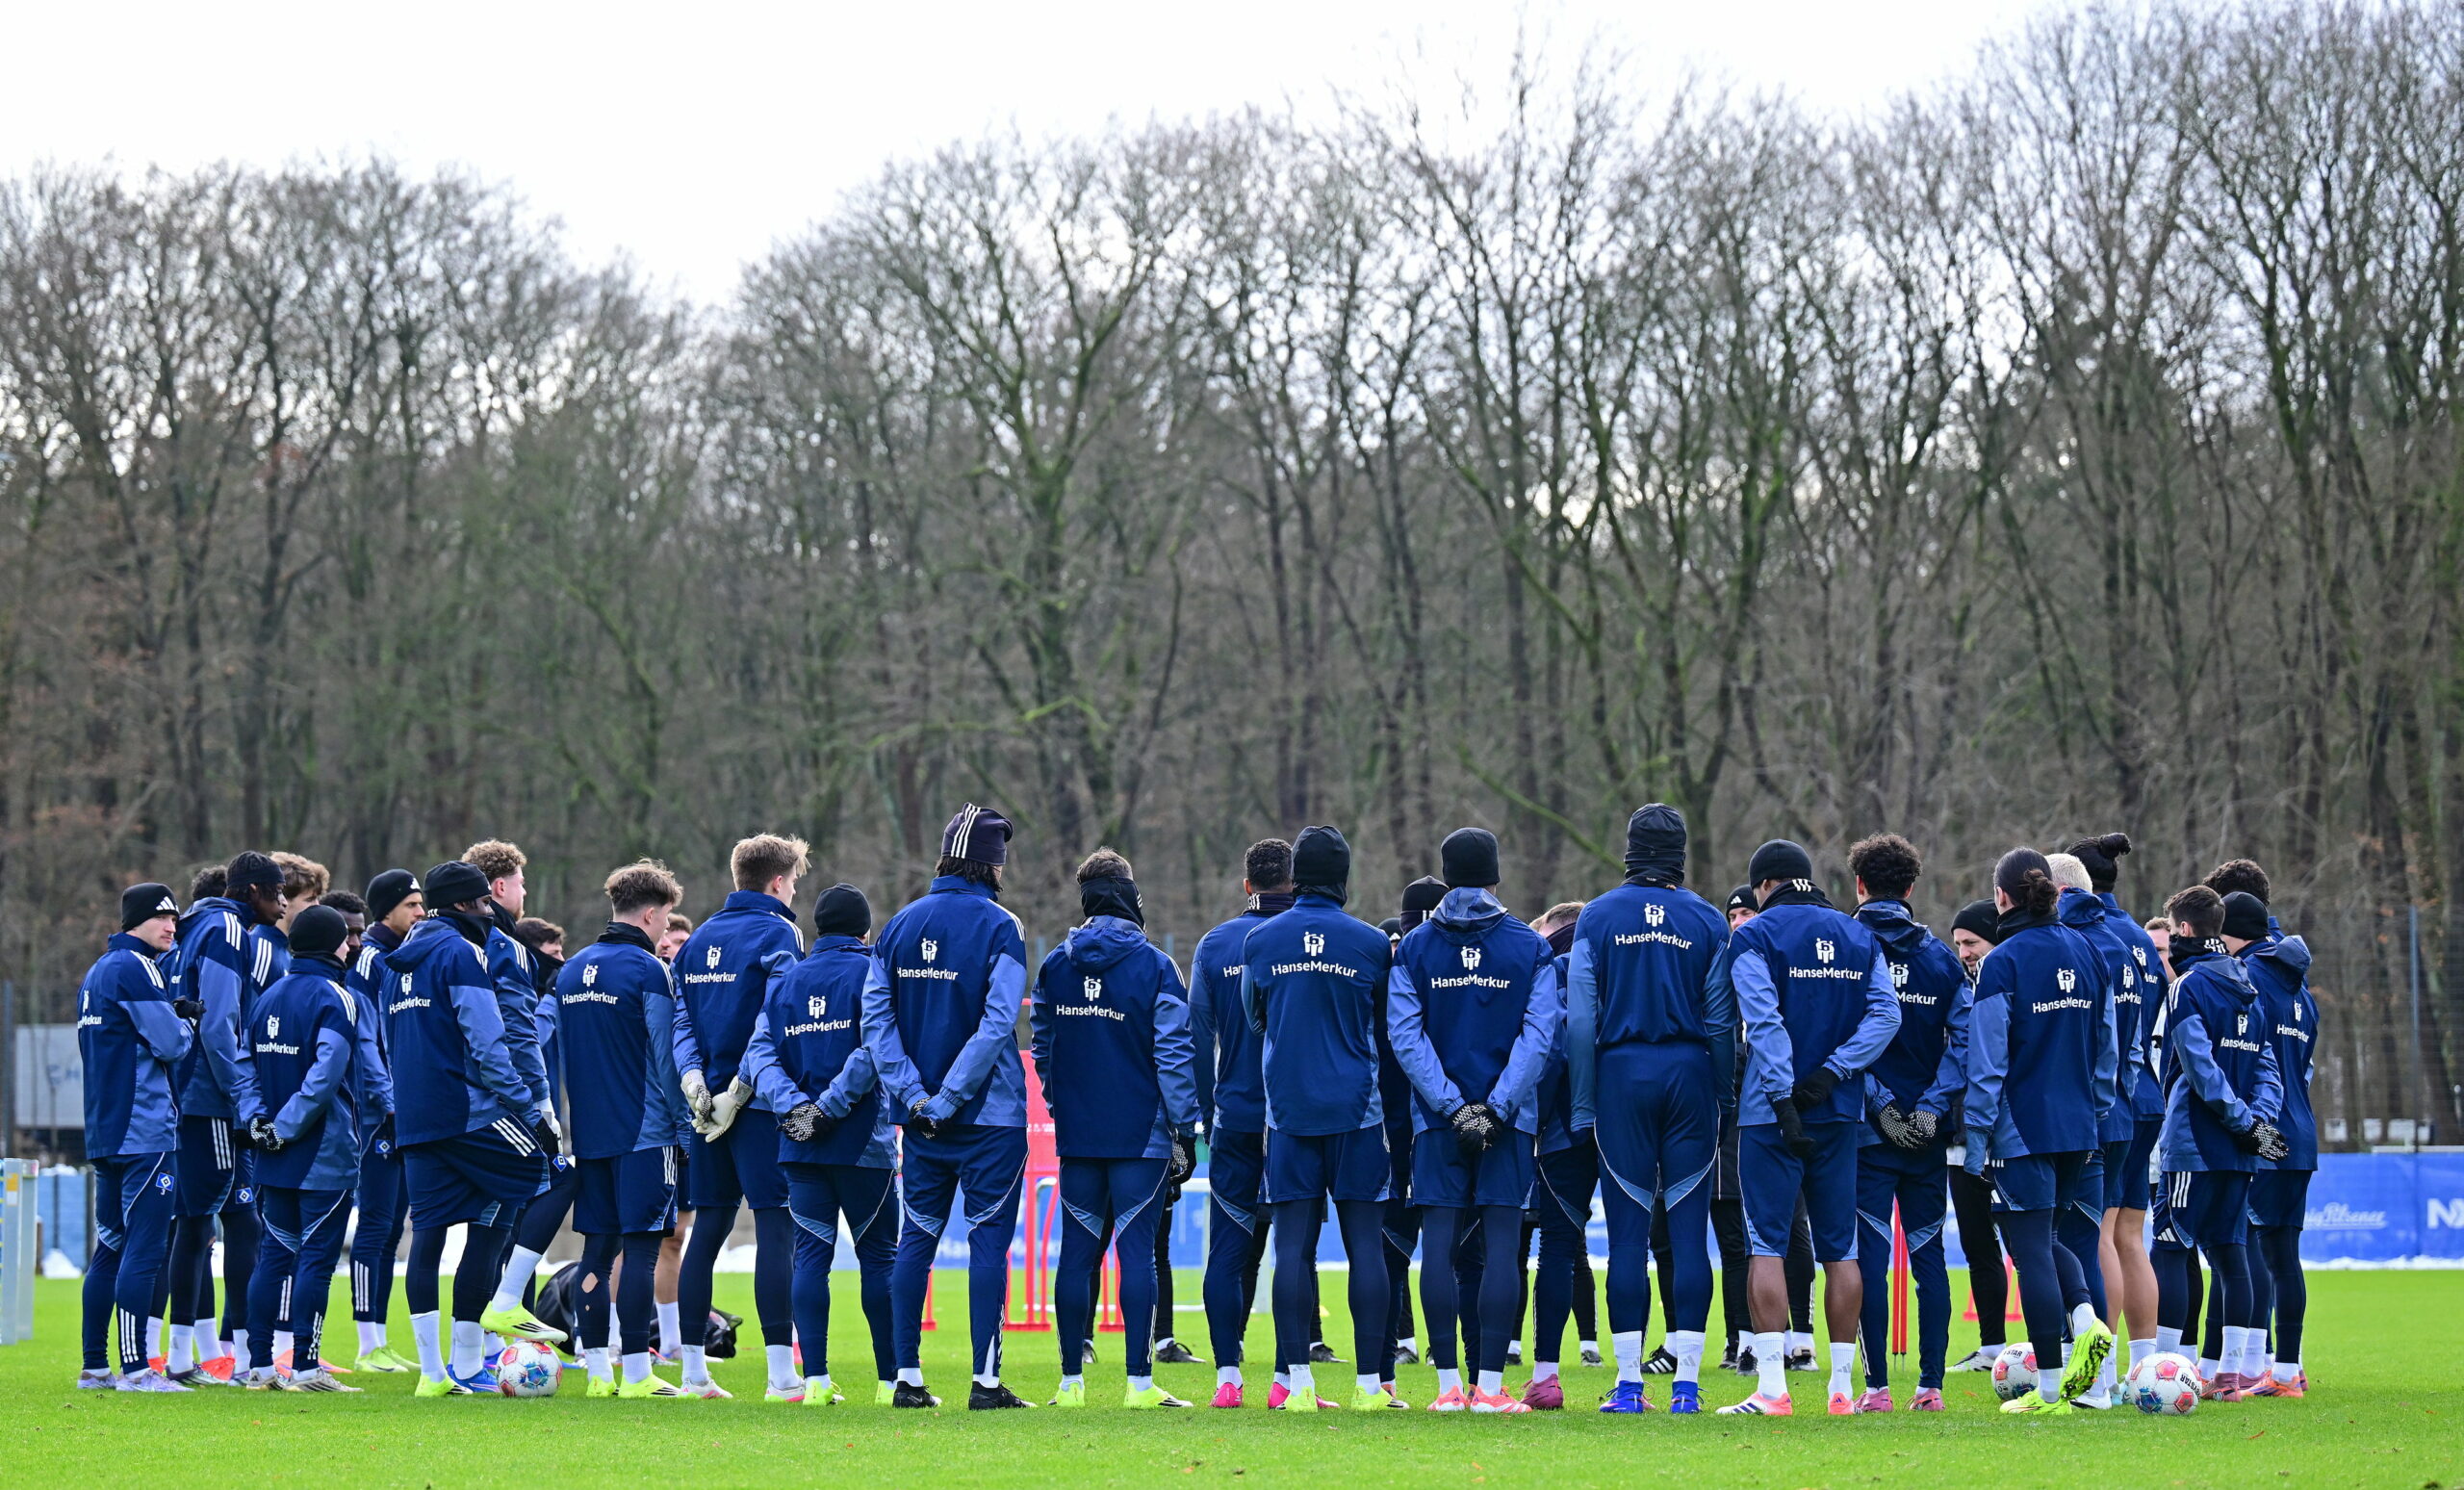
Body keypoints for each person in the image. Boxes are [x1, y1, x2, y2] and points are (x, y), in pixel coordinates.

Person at [1719, 839, 1900, 1416]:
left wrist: (1783, 1094)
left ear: (1765, 886)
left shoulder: (1754, 935)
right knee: (1839, 1249)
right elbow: (1886, 1015)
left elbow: (1763, 1020)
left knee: (1766, 1245)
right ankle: (1842, 1390)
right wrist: (1833, 1074)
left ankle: (1772, 1391)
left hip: (1771, 1117)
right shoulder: (1858, 935)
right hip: (1839, 1110)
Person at [864, 804, 1035, 1410]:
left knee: (918, 1241)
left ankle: (906, 1378)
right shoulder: (1001, 926)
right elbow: (998, 1026)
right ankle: (986, 1383)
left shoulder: (898, 926)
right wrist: (949, 1097)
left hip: (922, 1124)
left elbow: (876, 1022)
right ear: (994, 864)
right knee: (989, 1246)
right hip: (988, 1119)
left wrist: (914, 1096)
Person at [1566, 806, 1731, 1416]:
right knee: (1689, 1235)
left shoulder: (1598, 917)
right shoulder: (1709, 920)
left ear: (1629, 850)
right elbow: (1719, 1020)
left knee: (1629, 1236)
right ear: (1680, 855)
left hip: (1621, 1074)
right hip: (1689, 1074)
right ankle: (1686, 1386)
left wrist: (1584, 1102)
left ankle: (1631, 1386)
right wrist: (1722, 1092)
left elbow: (1581, 1020)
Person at [1391, 828, 1557, 1414]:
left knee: (1436, 1245)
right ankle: (1490, 1387)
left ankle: (1445, 1390)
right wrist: (1496, 1106)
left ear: (1445, 874)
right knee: (1503, 1246)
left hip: (1437, 1124)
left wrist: (1452, 1107)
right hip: (1509, 1123)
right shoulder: (1528, 947)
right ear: (1495, 877)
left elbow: (1405, 1038)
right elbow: (1539, 1037)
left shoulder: (1413, 948)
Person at [386, 861, 563, 1397]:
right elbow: (488, 1045)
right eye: (485, 904)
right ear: (465, 905)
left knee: (438, 1236)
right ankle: (508, 1302)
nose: (492, 913)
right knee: (560, 1171)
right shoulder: (462, 953)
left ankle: (445, 1373)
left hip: (416, 1120)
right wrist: (532, 1109)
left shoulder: (397, 962)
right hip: (470, 1112)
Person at [1032, 849, 1200, 1409]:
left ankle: (1070, 1385)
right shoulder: (1156, 967)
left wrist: (1062, 1107)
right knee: (1138, 1256)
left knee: (1075, 1256)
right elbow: (1173, 1053)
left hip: (1080, 1135)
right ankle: (1139, 1385)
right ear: (1130, 895)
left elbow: (1044, 1051)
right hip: (1140, 1137)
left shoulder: (1056, 964)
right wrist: (1185, 1127)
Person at [1243, 824, 1396, 1412]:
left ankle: (1299, 1386)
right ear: (1344, 880)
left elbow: (1256, 1020)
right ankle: (1367, 1388)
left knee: (1293, 1250)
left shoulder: (1261, 941)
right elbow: (1383, 1025)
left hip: (1288, 1112)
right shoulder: (1370, 944)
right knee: (1365, 1248)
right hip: (1358, 1111)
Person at [1963, 848, 2118, 1416]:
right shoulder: (2088, 950)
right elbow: (2108, 1048)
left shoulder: (2002, 963)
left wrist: (1976, 1142)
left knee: (2030, 1253)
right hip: (2079, 1128)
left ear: (2002, 897)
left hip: (2020, 1132)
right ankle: (2085, 1325)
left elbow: (1986, 1064)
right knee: (2054, 1239)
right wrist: (2095, 1112)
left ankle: (2051, 1390)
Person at [743, 880, 898, 1407]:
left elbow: (759, 1055)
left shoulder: (787, 980)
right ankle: (890, 1383)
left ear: (816, 929)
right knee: (880, 1260)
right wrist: (829, 1108)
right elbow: (874, 1048)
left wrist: (794, 1108)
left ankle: (815, 1382)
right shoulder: (873, 972)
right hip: (863, 1145)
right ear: (865, 930)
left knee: (810, 1259)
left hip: (800, 1146)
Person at [672, 834, 809, 1400]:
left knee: (708, 1227)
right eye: (795, 880)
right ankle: (780, 1376)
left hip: (705, 1110)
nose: (795, 889)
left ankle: (693, 1373)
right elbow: (774, 1018)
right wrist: (742, 1088)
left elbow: (681, 1019)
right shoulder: (780, 931)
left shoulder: (699, 936)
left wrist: (693, 1079)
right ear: (778, 881)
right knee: (778, 1225)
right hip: (750, 1109)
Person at [556, 860, 691, 1399]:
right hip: (645, 1134)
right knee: (639, 1251)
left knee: (595, 1253)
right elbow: (664, 1058)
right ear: (652, 914)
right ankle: (636, 1373)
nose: (664, 934)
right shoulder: (647, 971)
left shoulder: (570, 972)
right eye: (665, 922)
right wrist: (684, 1132)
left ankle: (596, 1374)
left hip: (590, 1136)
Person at [1844, 835, 1969, 1413]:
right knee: (1927, 1258)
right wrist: (1930, 1108)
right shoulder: (1943, 958)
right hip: (1926, 1137)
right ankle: (1932, 1386)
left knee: (1870, 1259)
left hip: (1868, 1134)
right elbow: (1964, 1044)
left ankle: (1875, 1391)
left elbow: (1838, 1041)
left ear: (1860, 885)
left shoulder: (1842, 948)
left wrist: (1881, 1105)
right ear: (1912, 889)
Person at [2151, 886, 2287, 1402]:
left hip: (2195, 1144)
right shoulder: (2247, 984)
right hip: (2240, 1148)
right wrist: (2257, 1124)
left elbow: (2199, 1066)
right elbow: (2268, 1067)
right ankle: (2230, 1376)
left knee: (2170, 1247)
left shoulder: (2190, 985)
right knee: (2231, 1255)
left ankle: (2163, 1369)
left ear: (2183, 929)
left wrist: (2237, 1121)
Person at [243, 905, 380, 1392]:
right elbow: (325, 1075)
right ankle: (305, 1367)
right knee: (316, 1262)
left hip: (272, 1155)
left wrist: (257, 1120)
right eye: (345, 939)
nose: (351, 946)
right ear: (330, 944)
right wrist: (284, 1126)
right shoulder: (337, 998)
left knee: (273, 1259)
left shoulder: (267, 996)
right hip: (322, 1155)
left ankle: (258, 1366)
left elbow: (244, 1065)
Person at [1188, 838, 1295, 1406]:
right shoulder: (1306, 938)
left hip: (1235, 1117)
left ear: (1247, 885)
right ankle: (1286, 1379)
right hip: (1297, 1123)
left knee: (1227, 1250)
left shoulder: (1214, 944)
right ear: (1292, 884)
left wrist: (1207, 1114)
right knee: (1292, 1250)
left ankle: (1228, 1377)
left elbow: (1196, 1037)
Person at [76, 883, 194, 1392]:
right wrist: (183, 1022)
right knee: (143, 1252)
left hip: (105, 1129)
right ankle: (137, 1370)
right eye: (162, 919)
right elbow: (170, 1044)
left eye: (174, 920)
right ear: (137, 922)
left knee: (109, 1248)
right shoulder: (136, 967)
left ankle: (94, 1366)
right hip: (143, 1131)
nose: (171, 927)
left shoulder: (97, 971)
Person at [164, 852, 275, 1385]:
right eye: (276, 893)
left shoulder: (193, 927)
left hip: (192, 1096)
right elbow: (218, 1022)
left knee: (207, 1224)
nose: (281, 904)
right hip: (211, 1101)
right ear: (252, 891)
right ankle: (233, 1358)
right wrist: (243, 1097)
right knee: (214, 1224)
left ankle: (199, 1355)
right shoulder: (227, 929)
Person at [2067, 834, 2166, 1377]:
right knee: (2131, 1235)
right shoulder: (2137, 937)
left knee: (2099, 1233)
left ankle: (2097, 1370)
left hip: (2108, 1103)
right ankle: (2144, 1365)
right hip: (2145, 1096)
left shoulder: (2088, 937)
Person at [2047, 850, 2135, 1408]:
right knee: (2112, 1239)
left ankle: (2086, 1373)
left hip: (2078, 1117)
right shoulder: (2133, 941)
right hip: (2123, 1107)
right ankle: (2107, 1377)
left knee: (2074, 1240)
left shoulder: (2074, 944)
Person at [2229, 876, 2316, 1398]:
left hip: (2264, 1132)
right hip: (2301, 1132)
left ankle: (2251, 1365)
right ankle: (2286, 1373)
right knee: (2284, 1256)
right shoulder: (2301, 991)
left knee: (2250, 1250)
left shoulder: (2249, 980)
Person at [1520, 898, 1594, 1408]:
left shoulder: (1556, 971)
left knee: (1557, 1252)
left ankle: (1546, 1376)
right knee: (1636, 1248)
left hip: (1566, 1131)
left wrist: (1536, 1122)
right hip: (1631, 1130)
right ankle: (1640, 1379)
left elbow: (1550, 1049)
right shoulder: (1619, 967)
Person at [346, 869, 421, 1372]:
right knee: (374, 1224)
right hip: (377, 1114)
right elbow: (366, 1035)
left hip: (402, 1109)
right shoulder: (372, 958)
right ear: (387, 909)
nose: (420, 913)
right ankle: (365, 1341)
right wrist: (386, 1096)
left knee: (393, 1226)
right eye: (412, 905)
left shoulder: (397, 956)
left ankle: (380, 1338)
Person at [1941, 898, 2010, 1373]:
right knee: (1977, 1244)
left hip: (2008, 1138)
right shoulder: (1952, 989)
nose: (1964, 951)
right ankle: (1991, 1347)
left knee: (2030, 1245)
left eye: (1973, 942)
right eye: (1959, 943)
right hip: (1958, 1137)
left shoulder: (2009, 986)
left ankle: (2060, 1345)